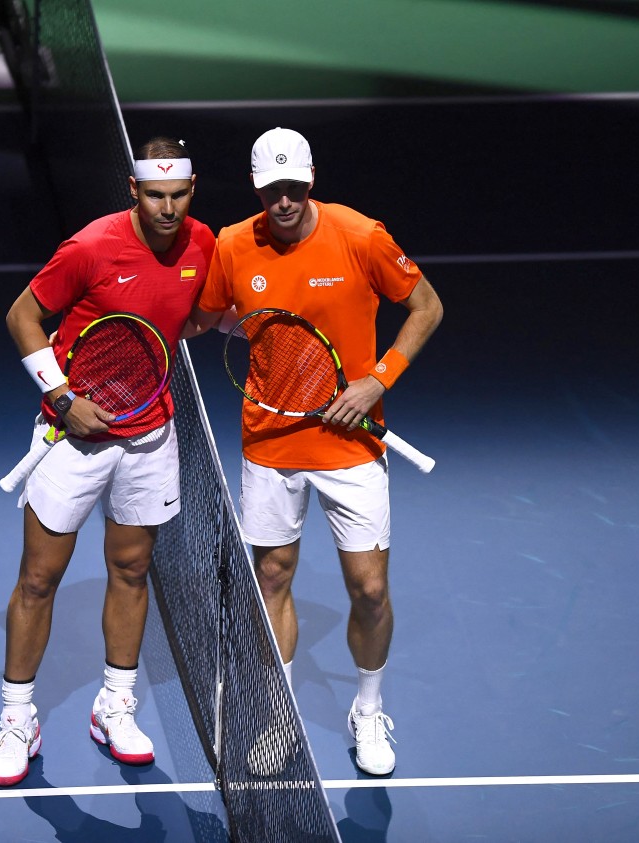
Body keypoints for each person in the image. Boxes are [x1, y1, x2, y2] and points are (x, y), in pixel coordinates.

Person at [188, 127, 443, 776]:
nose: (284, 200)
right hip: (270, 444)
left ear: (311, 181)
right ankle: (280, 715)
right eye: (272, 189)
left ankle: (368, 709)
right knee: (272, 579)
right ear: (256, 189)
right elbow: (207, 317)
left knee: (371, 589)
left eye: (294, 187)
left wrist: (377, 380)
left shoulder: (361, 235)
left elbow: (427, 307)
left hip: (352, 445)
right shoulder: (231, 245)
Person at [0, 138, 215, 787]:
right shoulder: (90, 246)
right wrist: (62, 395)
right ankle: (17, 718)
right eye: (154, 195)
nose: (167, 208)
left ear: (192, 189)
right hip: (72, 436)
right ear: (133, 190)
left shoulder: (203, 244)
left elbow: (193, 316)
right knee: (38, 578)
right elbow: (22, 315)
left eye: (178, 195)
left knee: (132, 569)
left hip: (149, 436)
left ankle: (115, 704)